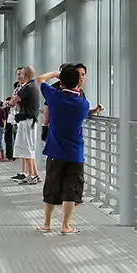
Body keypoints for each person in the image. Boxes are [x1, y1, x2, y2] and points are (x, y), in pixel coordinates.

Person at [36, 65, 90, 235]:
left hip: (55, 152)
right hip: (75, 154)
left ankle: (46, 223)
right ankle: (66, 226)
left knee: (51, 187)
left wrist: (54, 74)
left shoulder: (54, 97)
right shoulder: (83, 104)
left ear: (61, 81)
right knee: (70, 191)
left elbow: (39, 79)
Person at [8, 66, 41, 185]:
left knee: (27, 149)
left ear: (25, 75)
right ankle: (32, 174)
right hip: (30, 120)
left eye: (21, 74)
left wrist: (9, 103)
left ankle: (34, 175)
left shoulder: (27, 87)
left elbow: (13, 101)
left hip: (28, 121)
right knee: (28, 149)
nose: (19, 76)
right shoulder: (33, 86)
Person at [5, 79, 19, 161]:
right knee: (13, 137)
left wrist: (8, 103)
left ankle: (10, 156)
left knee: (9, 137)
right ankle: (12, 155)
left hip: (13, 119)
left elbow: (12, 104)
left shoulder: (18, 93)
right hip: (13, 118)